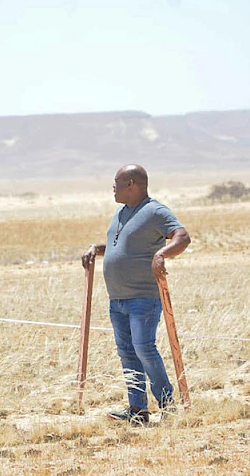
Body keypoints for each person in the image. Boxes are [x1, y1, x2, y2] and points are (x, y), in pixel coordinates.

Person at [81, 165, 191, 425]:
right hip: (117, 298)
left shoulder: (155, 211)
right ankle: (138, 410)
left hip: (143, 297)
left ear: (131, 184)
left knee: (144, 349)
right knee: (127, 353)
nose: (113, 188)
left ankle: (167, 405)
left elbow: (182, 237)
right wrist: (97, 249)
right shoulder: (121, 212)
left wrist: (162, 254)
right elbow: (124, 247)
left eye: (116, 183)